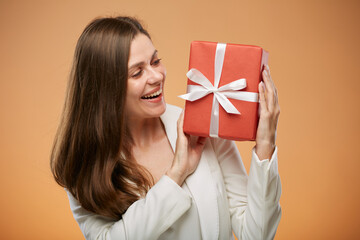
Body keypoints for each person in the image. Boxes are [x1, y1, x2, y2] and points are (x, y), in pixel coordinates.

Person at [51, 16, 281, 240]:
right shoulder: (84, 165)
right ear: (106, 90)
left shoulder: (202, 127)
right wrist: (176, 174)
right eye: (137, 72)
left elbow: (258, 234)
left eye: (155, 61)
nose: (156, 76)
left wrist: (265, 146)